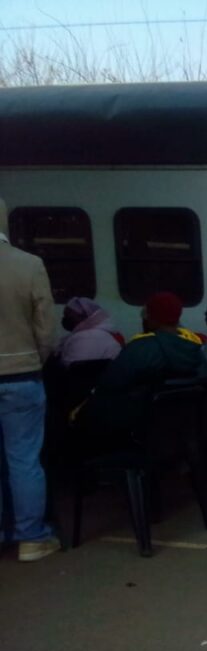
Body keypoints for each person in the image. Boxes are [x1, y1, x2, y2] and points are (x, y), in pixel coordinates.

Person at [0, 211, 60, 561]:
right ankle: (31, 538)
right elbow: (46, 329)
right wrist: (34, 359)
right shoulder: (29, 265)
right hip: (22, 375)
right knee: (23, 458)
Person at [75, 291, 205, 443]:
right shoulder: (196, 349)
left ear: (151, 317)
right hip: (183, 427)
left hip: (140, 424)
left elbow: (110, 383)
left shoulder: (140, 348)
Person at [56, 297, 124, 366]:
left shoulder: (84, 337)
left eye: (68, 315)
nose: (65, 319)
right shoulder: (101, 331)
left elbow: (69, 367)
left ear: (82, 315)